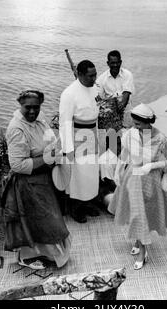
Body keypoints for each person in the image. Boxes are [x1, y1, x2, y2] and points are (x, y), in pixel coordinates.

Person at [3, 90, 71, 270]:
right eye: (28, 108)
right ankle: (27, 256)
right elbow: (18, 165)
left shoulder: (40, 120)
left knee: (43, 220)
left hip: (43, 179)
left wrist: (55, 154)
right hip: (28, 183)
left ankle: (44, 254)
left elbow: (51, 141)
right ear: (20, 105)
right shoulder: (16, 129)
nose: (32, 111)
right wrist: (49, 159)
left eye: (36, 107)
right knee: (38, 221)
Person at [108, 103, 167, 270]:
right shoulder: (131, 134)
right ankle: (140, 246)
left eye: (138, 124)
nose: (134, 127)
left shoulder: (160, 138)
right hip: (132, 177)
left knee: (141, 214)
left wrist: (152, 166)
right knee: (136, 213)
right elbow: (124, 154)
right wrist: (117, 171)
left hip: (150, 181)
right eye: (133, 123)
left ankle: (141, 249)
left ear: (148, 122)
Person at [59, 60, 101, 223]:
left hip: (92, 134)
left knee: (91, 173)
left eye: (95, 74)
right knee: (78, 175)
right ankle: (75, 208)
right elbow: (65, 123)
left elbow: (95, 114)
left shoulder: (94, 88)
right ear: (80, 74)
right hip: (76, 137)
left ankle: (87, 203)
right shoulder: (69, 94)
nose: (94, 78)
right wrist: (68, 149)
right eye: (90, 76)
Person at [96, 50, 135, 131]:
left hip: (126, 111)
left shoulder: (127, 74)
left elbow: (126, 96)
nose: (115, 65)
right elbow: (98, 99)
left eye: (117, 62)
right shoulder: (101, 79)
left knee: (127, 138)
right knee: (113, 141)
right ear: (108, 63)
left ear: (120, 62)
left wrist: (118, 111)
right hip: (110, 114)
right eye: (112, 63)